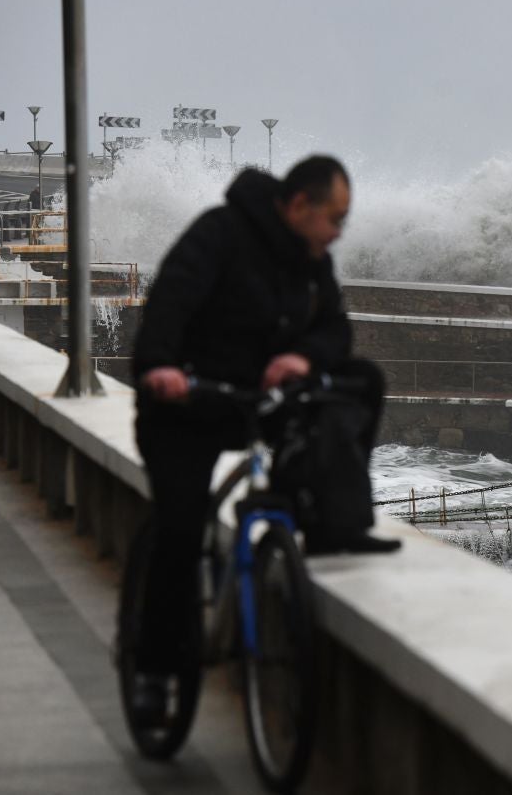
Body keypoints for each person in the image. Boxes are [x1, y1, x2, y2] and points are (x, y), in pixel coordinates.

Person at [129, 155, 397, 701]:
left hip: (263, 401)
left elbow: (335, 330)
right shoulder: (220, 233)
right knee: (180, 532)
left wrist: (302, 356)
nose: (339, 232)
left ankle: (333, 522)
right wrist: (160, 367)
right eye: (335, 218)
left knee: (362, 381)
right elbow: (168, 302)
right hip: (189, 405)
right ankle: (153, 671)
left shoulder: (311, 256)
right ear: (299, 205)